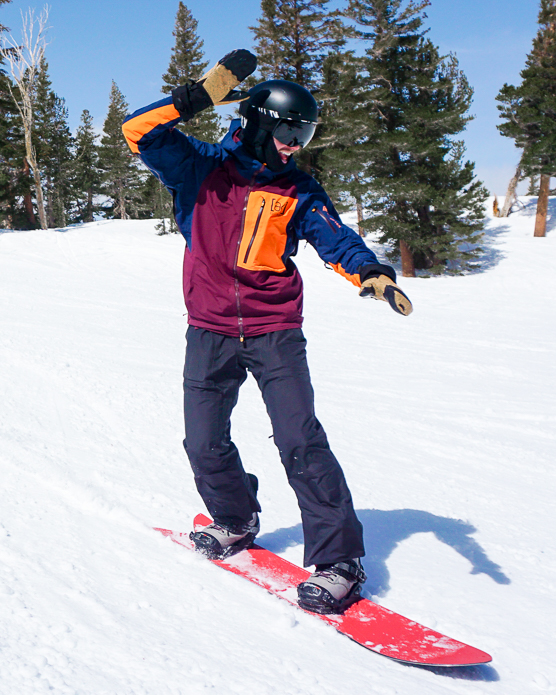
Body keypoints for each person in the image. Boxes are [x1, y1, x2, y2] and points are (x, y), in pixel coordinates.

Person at [122, 50, 412, 615]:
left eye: (305, 133)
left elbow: (336, 239)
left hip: (274, 328)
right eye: (288, 131)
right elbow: (136, 129)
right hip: (208, 328)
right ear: (259, 122)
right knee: (203, 442)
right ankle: (235, 519)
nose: (296, 144)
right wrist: (197, 98)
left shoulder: (298, 189)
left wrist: (371, 272)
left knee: (300, 441)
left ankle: (339, 561)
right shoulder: (198, 167)